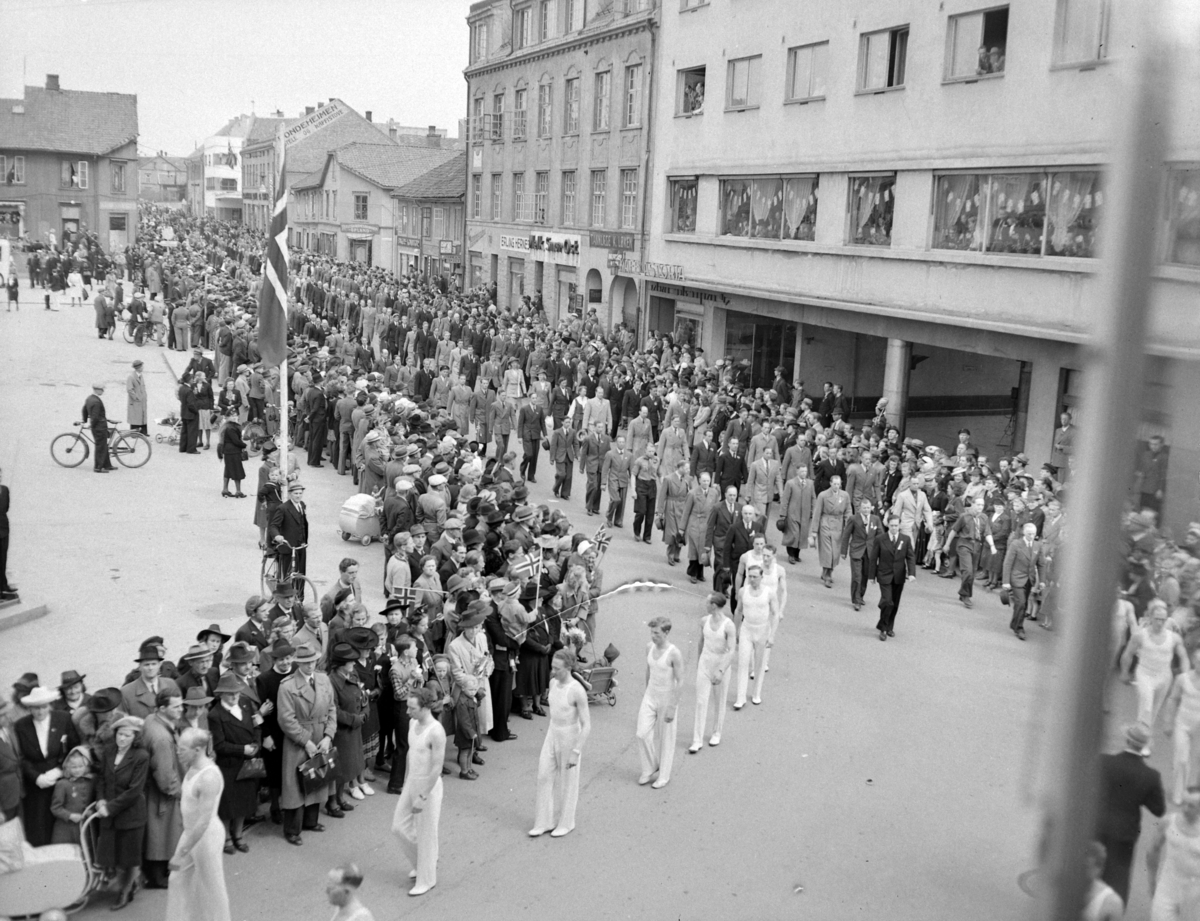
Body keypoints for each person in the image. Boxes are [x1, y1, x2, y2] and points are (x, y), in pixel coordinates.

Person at [1095, 722, 1166, 904]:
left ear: (1126, 739)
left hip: (1099, 825)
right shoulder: (1150, 775)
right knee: (1119, 876)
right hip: (1125, 832)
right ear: (1144, 746)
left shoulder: (1105, 762)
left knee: (1092, 867)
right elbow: (1159, 810)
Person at [165, 727, 231, 921]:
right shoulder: (191, 767)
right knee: (177, 879)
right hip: (191, 832)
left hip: (206, 837)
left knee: (212, 888)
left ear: (198, 749)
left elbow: (202, 823)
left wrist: (181, 853)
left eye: (182, 748)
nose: (178, 752)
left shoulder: (210, 777)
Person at [277, 643, 337, 846]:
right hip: (299, 741)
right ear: (298, 663)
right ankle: (292, 829)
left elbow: (331, 708)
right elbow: (286, 720)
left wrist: (328, 736)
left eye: (312, 661)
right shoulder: (287, 686)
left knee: (317, 779)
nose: (310, 665)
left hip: (321, 736)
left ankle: (311, 821)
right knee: (295, 785)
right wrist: (307, 742)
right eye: (305, 662)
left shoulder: (323, 679)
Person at [528, 649, 591, 839]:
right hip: (552, 732)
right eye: (552, 667)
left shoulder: (577, 691)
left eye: (557, 668)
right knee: (544, 775)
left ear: (569, 668)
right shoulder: (552, 682)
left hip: (570, 736)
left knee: (568, 782)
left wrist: (576, 751)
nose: (553, 671)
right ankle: (544, 821)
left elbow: (587, 724)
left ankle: (566, 823)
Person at [391, 686, 446, 897]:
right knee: (398, 826)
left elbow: (436, 769)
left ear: (424, 708)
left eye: (411, 708)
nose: (407, 712)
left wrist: (423, 796)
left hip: (428, 788)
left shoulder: (436, 731)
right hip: (412, 781)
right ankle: (423, 862)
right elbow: (410, 754)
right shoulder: (413, 723)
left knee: (426, 834)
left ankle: (427, 879)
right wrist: (406, 782)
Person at [14, 685, 81, 845]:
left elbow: (73, 747)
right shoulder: (21, 725)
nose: (40, 712)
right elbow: (20, 757)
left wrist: (59, 770)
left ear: (50, 706)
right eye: (35, 708)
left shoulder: (63, 718)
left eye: (44, 707)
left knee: (61, 826)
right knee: (38, 827)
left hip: (60, 781)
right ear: (29, 708)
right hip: (35, 785)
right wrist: (37, 778)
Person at [96, 715, 150, 910]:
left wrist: (109, 808)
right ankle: (130, 884)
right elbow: (101, 778)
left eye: (127, 735)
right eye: (120, 734)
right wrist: (101, 799)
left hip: (130, 814)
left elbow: (134, 791)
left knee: (129, 857)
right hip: (109, 813)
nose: (122, 739)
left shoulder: (141, 756)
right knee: (116, 855)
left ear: (135, 737)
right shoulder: (109, 751)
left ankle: (125, 893)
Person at [1122, 599, 1189, 748]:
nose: (1160, 623)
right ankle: (1140, 742)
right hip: (1144, 674)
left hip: (1164, 677)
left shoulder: (1173, 638)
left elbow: (1183, 656)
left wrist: (1186, 677)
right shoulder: (1140, 635)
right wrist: (1124, 672)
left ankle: (1140, 738)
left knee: (1154, 710)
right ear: (1150, 618)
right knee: (1146, 705)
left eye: (1163, 620)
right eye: (1157, 619)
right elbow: (1128, 654)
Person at [207, 672, 261, 854]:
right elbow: (219, 745)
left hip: (247, 763)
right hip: (229, 765)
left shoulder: (245, 704)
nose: (235, 696)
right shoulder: (215, 714)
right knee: (228, 806)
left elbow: (256, 726)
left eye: (237, 692)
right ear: (221, 694)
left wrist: (256, 744)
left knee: (243, 803)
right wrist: (242, 750)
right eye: (230, 694)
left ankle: (238, 835)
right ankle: (227, 839)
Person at [141, 690, 184, 889]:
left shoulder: (151, 719)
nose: (181, 709)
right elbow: (165, 777)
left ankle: (154, 873)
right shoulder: (162, 738)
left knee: (156, 832)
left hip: (148, 789)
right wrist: (179, 791)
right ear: (162, 708)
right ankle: (157, 878)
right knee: (161, 834)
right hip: (160, 794)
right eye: (176, 706)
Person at [636, 616, 683, 790]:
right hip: (650, 695)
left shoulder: (674, 653)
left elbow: (680, 681)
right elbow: (648, 670)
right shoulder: (649, 647)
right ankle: (650, 767)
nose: (652, 636)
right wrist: (646, 691)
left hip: (666, 697)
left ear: (666, 632)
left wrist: (673, 706)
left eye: (656, 633)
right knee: (641, 733)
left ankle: (664, 776)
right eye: (651, 632)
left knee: (666, 738)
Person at [690, 593, 736, 753]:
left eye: (707, 602)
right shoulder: (704, 621)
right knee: (701, 701)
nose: (705, 604)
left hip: (720, 664)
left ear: (714, 605)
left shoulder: (728, 626)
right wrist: (698, 663)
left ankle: (716, 732)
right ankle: (697, 739)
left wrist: (721, 670)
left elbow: (731, 651)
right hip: (705, 662)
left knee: (719, 700)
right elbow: (701, 642)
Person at [1145, 789, 1200, 921]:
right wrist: (1152, 881)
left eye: (1191, 806)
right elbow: (1153, 850)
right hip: (1168, 886)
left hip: (1195, 893)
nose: (1185, 809)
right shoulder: (1168, 822)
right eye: (1184, 803)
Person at [734, 563, 779, 710]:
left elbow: (775, 614)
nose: (752, 579)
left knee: (760, 664)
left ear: (761, 577)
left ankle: (756, 693)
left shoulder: (769, 593)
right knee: (743, 662)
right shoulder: (743, 591)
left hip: (763, 630)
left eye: (755, 577)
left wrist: (772, 635)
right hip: (747, 629)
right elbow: (738, 611)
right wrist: (736, 630)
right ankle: (740, 697)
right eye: (749, 576)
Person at [867, 515, 915, 642]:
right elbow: (873, 558)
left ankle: (889, 627)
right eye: (892, 525)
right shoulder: (880, 539)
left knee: (894, 604)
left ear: (899, 526)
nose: (894, 528)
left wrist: (911, 573)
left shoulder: (905, 539)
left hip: (899, 576)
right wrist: (871, 576)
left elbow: (910, 557)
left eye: (896, 525)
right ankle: (882, 628)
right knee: (888, 601)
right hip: (884, 575)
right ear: (888, 525)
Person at [1002, 522, 1043, 641]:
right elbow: (1008, 563)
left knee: (1022, 604)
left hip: (1030, 579)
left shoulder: (1038, 545)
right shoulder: (1016, 544)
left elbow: (1041, 564)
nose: (1032, 536)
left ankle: (1014, 624)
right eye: (1029, 534)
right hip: (1016, 578)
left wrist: (1042, 581)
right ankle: (1019, 628)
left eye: (1034, 534)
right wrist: (1005, 581)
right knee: (1021, 603)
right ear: (1024, 533)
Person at [840, 497, 881, 611]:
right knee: (857, 576)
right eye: (864, 508)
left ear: (871, 508)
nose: (866, 510)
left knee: (865, 576)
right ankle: (856, 600)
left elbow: (881, 536)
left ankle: (861, 595)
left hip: (870, 552)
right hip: (856, 551)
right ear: (860, 508)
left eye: (868, 508)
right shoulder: (853, 519)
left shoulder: (876, 519)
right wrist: (843, 551)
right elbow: (846, 535)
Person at [812, 474, 850, 588]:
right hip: (825, 523)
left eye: (838, 484)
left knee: (835, 552)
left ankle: (827, 571)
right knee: (827, 551)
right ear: (830, 483)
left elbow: (848, 511)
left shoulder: (845, 495)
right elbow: (817, 513)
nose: (836, 486)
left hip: (838, 525)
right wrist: (814, 530)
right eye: (834, 484)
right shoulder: (823, 495)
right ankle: (828, 575)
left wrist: (849, 526)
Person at [1082, 841, 1124, 921]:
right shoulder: (1065, 892)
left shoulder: (1112, 901)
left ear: (1100, 869)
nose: (1082, 872)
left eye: (1087, 867)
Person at [82, 382, 115, 473]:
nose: (103, 391)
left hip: (97, 426)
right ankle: (98, 467)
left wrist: (84, 421)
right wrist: (91, 425)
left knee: (104, 445)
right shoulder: (96, 402)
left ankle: (107, 465)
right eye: (101, 390)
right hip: (99, 427)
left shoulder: (89, 399)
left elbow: (84, 410)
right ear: (97, 390)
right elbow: (95, 416)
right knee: (100, 446)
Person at [220, 411, 247, 498]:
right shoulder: (232, 428)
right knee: (237, 471)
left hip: (227, 451)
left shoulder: (226, 427)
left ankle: (225, 489)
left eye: (235, 415)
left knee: (228, 470)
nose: (235, 417)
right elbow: (236, 441)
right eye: (232, 415)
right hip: (233, 451)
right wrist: (244, 445)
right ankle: (238, 491)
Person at [127, 360, 148, 435]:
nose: (143, 367)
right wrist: (136, 398)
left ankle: (144, 432)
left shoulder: (140, 375)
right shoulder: (131, 377)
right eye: (142, 366)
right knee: (135, 417)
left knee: (142, 416)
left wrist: (144, 396)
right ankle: (134, 433)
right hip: (135, 401)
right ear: (138, 367)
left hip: (142, 400)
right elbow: (129, 389)